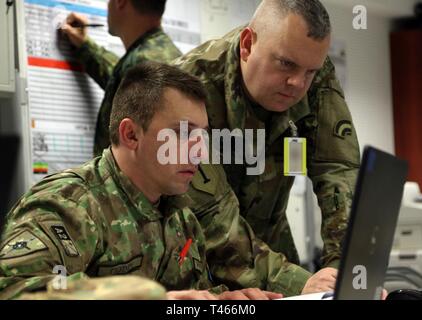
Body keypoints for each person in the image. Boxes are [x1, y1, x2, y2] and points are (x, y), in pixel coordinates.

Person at [0, 62, 330, 300]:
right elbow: (12, 289)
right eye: (183, 134)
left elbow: (188, 299)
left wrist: (228, 305)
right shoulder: (68, 205)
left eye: (202, 136)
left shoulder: (180, 215)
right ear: (131, 134)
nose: (201, 153)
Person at [173, 0, 361, 282]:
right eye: (286, 64)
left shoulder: (313, 70)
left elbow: (338, 169)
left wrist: (341, 269)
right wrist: (300, 283)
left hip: (273, 247)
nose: (298, 83)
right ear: (247, 45)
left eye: (309, 72)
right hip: (195, 258)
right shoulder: (187, 87)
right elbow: (211, 217)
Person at [61, 0, 181, 157]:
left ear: (120, 2)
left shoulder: (143, 64)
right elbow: (120, 83)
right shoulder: (161, 53)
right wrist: (85, 45)